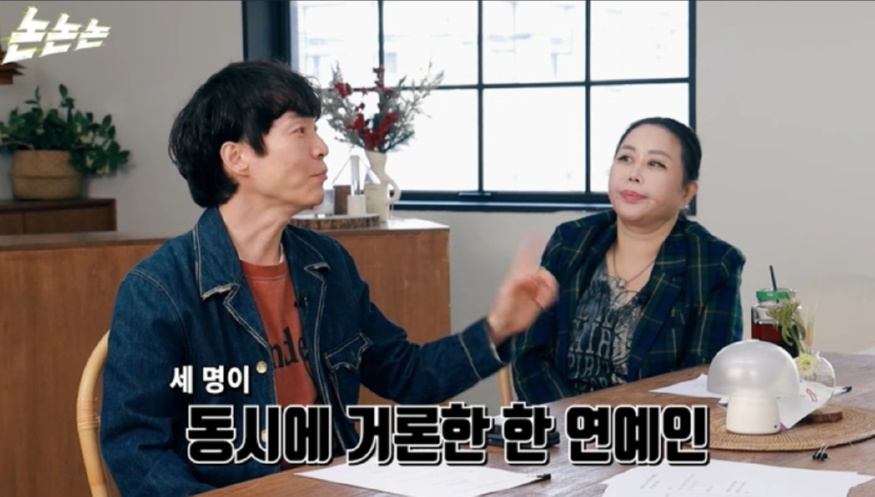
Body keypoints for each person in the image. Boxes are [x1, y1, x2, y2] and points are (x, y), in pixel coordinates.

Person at [99, 59, 558, 497]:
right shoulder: (159, 289)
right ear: (237, 157)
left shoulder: (325, 263)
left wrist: (498, 327)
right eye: (299, 131)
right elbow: (137, 449)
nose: (321, 147)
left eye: (315, 130)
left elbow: (407, 375)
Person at [511, 117, 745, 405]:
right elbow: (530, 358)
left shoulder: (714, 263)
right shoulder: (570, 241)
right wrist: (577, 423)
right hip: (562, 425)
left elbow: (702, 382)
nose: (634, 174)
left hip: (653, 429)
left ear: (686, 191)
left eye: (655, 164)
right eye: (625, 158)